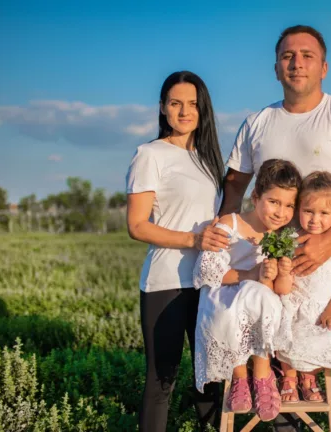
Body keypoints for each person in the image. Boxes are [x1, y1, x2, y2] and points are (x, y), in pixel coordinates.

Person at [220, 25, 331, 431]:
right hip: (272, 266)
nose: (297, 63)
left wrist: (328, 242)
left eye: (307, 55)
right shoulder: (257, 122)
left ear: (324, 67)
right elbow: (234, 187)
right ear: (275, 68)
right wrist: (223, 241)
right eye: (288, 55)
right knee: (278, 357)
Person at [125, 70, 232, 431]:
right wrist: (193, 240)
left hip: (208, 283)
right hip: (165, 283)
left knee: (211, 378)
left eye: (192, 104)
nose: (184, 111)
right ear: (162, 108)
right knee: (161, 381)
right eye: (175, 103)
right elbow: (137, 225)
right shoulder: (150, 155)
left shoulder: (209, 158)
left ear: (203, 109)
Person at [192, 159, 302, 422]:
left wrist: (282, 273)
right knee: (245, 300)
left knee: (262, 296)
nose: (280, 212)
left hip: (262, 300)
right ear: (255, 197)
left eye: (289, 205)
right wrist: (251, 274)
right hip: (224, 296)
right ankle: (239, 376)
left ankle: (263, 377)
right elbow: (208, 272)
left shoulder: (285, 236)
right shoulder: (231, 224)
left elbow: (281, 289)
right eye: (274, 202)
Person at [275, 171, 331, 404]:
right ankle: (289, 377)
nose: (314, 219)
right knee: (286, 327)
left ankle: (309, 378)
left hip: (325, 306)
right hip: (293, 301)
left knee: (327, 335)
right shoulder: (290, 236)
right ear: (298, 208)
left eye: (324, 213)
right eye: (308, 211)